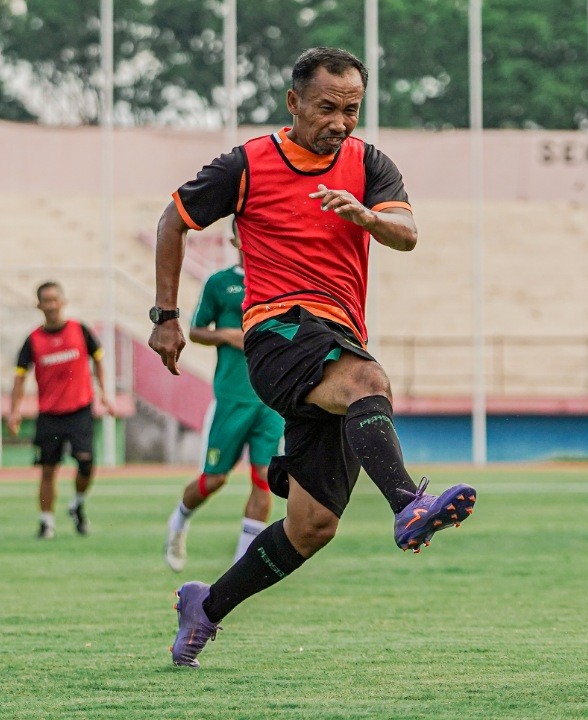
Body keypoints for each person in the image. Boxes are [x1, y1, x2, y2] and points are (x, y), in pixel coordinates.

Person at [149, 46, 477, 668]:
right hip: (275, 333)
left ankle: (205, 607)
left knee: (311, 527)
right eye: (328, 108)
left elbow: (406, 233)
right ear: (293, 102)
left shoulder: (368, 162)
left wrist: (367, 218)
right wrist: (166, 316)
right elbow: (174, 220)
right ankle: (409, 502)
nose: (341, 121)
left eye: (351, 109)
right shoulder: (246, 164)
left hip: (334, 337)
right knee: (368, 379)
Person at [164, 223, 285, 572]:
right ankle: (179, 521)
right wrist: (230, 335)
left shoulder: (282, 278)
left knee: (265, 477)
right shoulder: (220, 283)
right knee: (214, 480)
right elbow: (197, 331)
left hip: (271, 398)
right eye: (246, 231)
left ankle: (241, 563)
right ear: (235, 238)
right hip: (232, 396)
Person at [7, 281, 115, 539]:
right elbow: (19, 378)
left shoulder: (81, 331)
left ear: (63, 302)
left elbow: (99, 360)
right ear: (39, 305)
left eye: (55, 299)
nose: (51, 305)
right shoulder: (32, 340)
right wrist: (14, 410)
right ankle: (46, 523)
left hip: (79, 410)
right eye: (47, 300)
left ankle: (76, 504)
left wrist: (104, 394)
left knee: (86, 463)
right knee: (48, 469)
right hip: (50, 415)